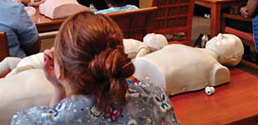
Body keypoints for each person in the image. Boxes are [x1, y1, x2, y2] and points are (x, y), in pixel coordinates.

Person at [11, 11, 180, 124]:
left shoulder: (29, 121)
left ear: (61, 69)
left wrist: (58, 88)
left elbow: (55, 116)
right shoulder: (153, 96)